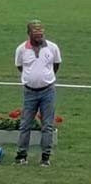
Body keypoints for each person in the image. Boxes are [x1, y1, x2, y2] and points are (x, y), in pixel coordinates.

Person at [14, 20, 61, 166]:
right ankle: (21, 155)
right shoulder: (21, 49)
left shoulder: (52, 47)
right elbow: (20, 66)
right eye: (35, 32)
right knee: (25, 124)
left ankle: (45, 157)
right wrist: (31, 78)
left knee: (47, 125)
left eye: (41, 31)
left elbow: (56, 65)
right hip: (29, 92)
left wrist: (45, 78)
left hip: (48, 91)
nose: (39, 34)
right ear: (29, 33)